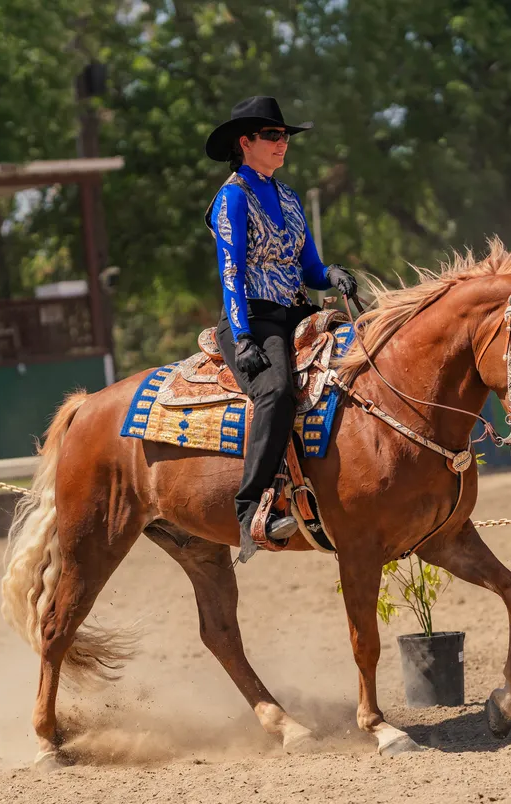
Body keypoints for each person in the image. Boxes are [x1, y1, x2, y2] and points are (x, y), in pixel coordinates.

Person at [204, 96, 358, 562]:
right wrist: (244, 336)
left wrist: (330, 274)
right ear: (245, 142)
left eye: (285, 135)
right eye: (273, 135)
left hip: (295, 312)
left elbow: (308, 266)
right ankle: (251, 509)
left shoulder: (289, 197)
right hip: (252, 316)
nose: (282, 143)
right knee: (275, 392)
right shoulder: (232, 196)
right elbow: (231, 273)